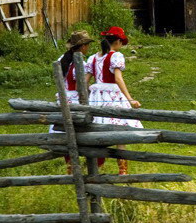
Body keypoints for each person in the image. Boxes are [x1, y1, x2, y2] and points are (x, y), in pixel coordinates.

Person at [87, 26, 142, 175]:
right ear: (117, 41)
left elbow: (85, 81)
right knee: (120, 131)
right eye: (121, 42)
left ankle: (95, 169)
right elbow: (118, 78)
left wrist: (91, 93)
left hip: (97, 97)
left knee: (97, 129)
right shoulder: (115, 56)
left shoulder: (93, 58)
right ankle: (122, 170)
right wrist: (129, 99)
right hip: (112, 95)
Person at [51, 30, 104, 174]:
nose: (88, 48)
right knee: (85, 130)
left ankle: (70, 166)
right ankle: (93, 163)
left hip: (64, 97)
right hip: (75, 98)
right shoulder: (79, 62)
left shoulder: (63, 58)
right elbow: (81, 83)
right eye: (87, 45)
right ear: (82, 47)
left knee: (67, 132)